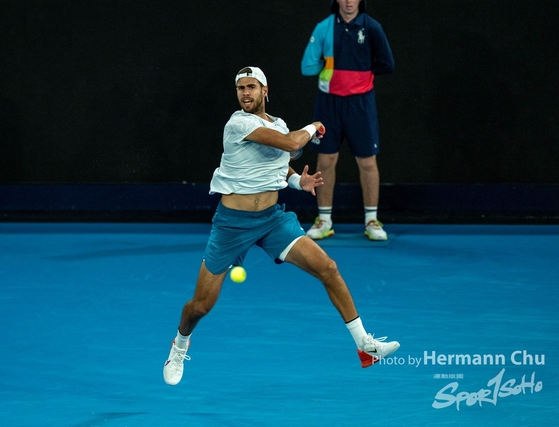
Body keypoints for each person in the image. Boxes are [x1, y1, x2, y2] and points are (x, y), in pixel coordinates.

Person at [162, 66, 399, 386]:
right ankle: (179, 346)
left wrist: (298, 181)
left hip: (272, 220)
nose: (245, 93)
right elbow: (290, 143)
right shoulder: (238, 123)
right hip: (231, 226)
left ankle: (364, 346)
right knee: (201, 306)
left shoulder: (277, 125)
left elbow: (278, 162)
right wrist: (314, 126)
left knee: (328, 268)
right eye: (240, 88)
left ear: (265, 90)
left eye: (251, 87)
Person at [301, 0, 394, 241]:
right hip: (328, 103)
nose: (349, 1)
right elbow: (307, 66)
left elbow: (387, 63)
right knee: (326, 160)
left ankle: (371, 220)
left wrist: (360, 76)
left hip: (361, 104)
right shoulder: (324, 27)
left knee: (367, 162)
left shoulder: (372, 27)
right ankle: (324, 220)